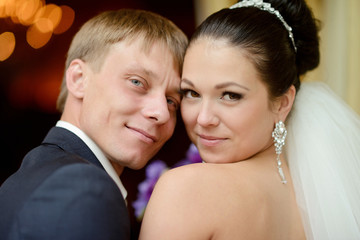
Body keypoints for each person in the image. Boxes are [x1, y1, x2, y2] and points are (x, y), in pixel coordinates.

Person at [139, 0, 360, 239]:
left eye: (230, 95)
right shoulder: (320, 197)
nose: (203, 119)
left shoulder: (185, 190)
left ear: (282, 103)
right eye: (192, 93)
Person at [0, 9, 188, 240]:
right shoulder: (84, 190)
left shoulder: (31, 177)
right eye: (137, 82)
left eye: (172, 101)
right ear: (79, 79)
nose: (162, 113)